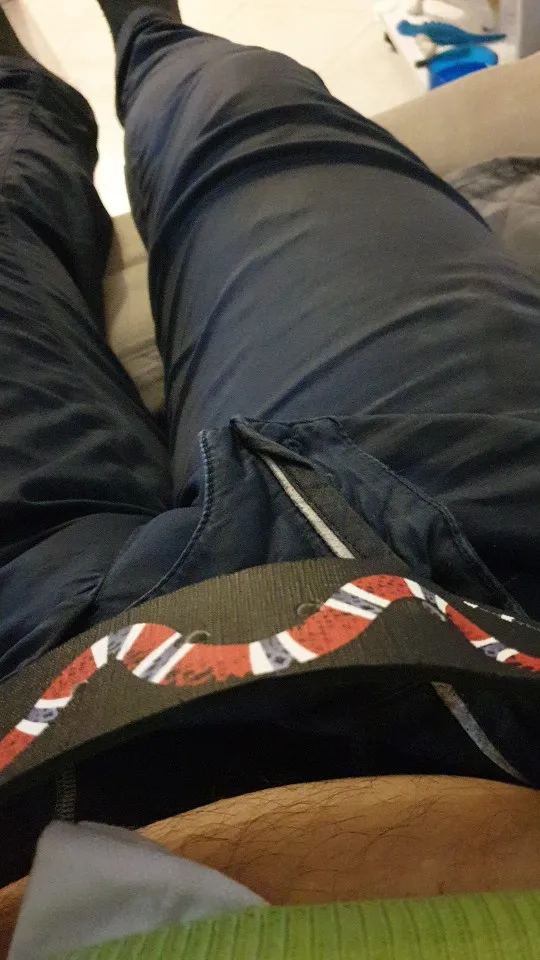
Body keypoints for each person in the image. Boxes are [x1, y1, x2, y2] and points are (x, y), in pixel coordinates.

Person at [2, 0, 540, 953]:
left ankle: (20, 97)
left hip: (21, 726)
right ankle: (149, 37)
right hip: (491, 593)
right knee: (244, 102)